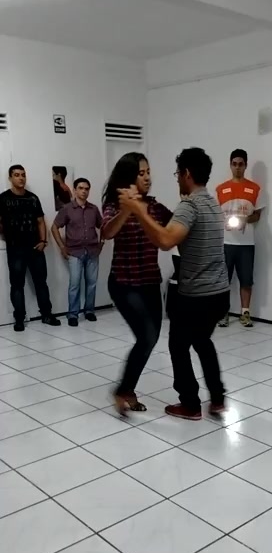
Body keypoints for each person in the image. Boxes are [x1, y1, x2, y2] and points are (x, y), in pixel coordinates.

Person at [118, 147, 229, 421]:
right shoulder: (213, 203)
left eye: (178, 173)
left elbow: (166, 240)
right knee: (202, 341)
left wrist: (138, 210)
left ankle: (190, 404)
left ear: (186, 174)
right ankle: (217, 398)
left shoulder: (190, 206)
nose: (177, 178)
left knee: (178, 345)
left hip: (197, 295)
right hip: (220, 293)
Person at [102, 153, 172, 416]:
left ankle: (127, 389)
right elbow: (107, 232)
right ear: (129, 177)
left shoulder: (155, 207)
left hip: (151, 281)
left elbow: (175, 226)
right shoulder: (115, 204)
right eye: (141, 173)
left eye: (148, 172)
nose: (147, 178)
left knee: (150, 339)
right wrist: (128, 209)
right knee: (147, 336)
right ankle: (123, 390)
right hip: (124, 283)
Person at [0, 164, 61, 332]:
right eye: (17, 175)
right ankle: (19, 319)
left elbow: (40, 221)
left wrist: (43, 241)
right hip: (15, 249)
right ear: (10, 178)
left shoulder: (33, 198)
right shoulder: (3, 198)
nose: (21, 178)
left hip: (35, 247)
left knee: (41, 283)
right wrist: (7, 233)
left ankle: (46, 315)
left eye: (23, 174)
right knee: (16, 284)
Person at [216, 149, 262, 328]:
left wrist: (245, 219)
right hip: (226, 242)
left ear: (245, 165)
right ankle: (223, 313)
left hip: (246, 243)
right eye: (234, 164)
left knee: (246, 280)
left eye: (240, 164)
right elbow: (217, 215)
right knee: (224, 281)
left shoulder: (255, 189)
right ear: (230, 165)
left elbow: (257, 215)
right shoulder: (220, 189)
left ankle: (245, 313)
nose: (237, 167)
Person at [52, 178, 103, 327]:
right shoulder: (67, 209)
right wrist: (62, 247)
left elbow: (103, 226)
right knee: (75, 284)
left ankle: (89, 311)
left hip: (92, 252)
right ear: (74, 190)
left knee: (91, 283)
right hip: (75, 252)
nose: (84, 191)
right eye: (81, 188)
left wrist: (102, 243)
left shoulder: (94, 209)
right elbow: (54, 227)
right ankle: (73, 314)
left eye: (87, 189)